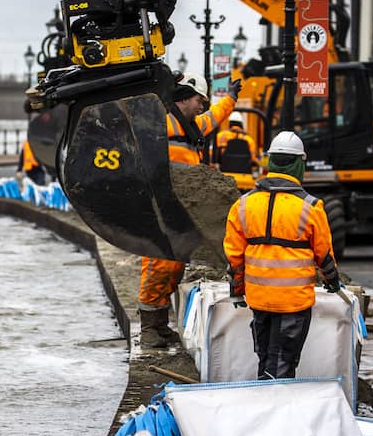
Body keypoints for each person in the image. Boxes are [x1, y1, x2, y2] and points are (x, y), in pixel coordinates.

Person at [223, 130, 341, 379]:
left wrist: (237, 290)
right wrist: (332, 281)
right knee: (283, 361)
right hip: (293, 302)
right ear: (300, 163)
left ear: (269, 162)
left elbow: (234, 257)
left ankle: (266, 401)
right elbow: (324, 255)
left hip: (259, 299)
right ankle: (275, 405)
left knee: (265, 355)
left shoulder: (243, 204)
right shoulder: (310, 207)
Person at [139, 72, 240, 348]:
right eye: (199, 100)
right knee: (158, 263)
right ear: (184, 95)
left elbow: (216, 115)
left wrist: (230, 98)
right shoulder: (162, 120)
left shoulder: (194, 124)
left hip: (182, 205)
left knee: (175, 265)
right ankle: (148, 326)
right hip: (161, 203)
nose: (203, 106)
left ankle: (159, 324)